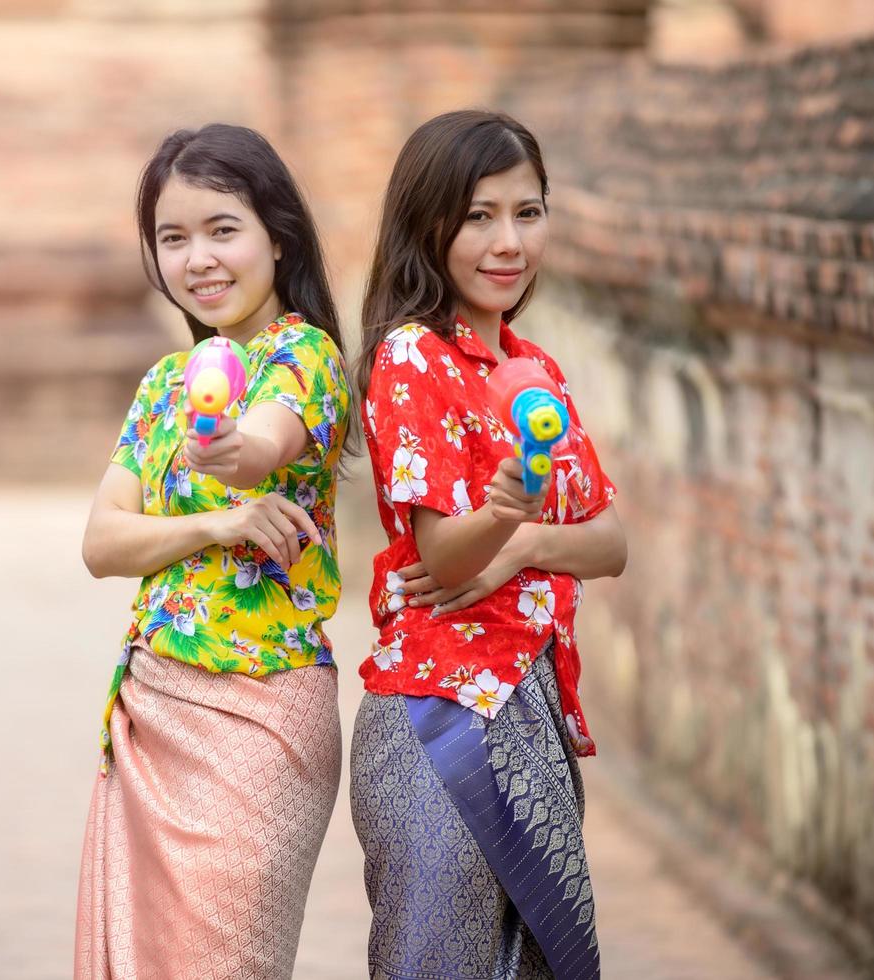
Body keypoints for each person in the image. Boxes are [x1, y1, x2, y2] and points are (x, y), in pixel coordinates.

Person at [351, 109, 628, 980]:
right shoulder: (410, 359)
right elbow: (443, 559)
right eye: (477, 216)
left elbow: (611, 541)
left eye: (527, 212)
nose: (507, 242)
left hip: (530, 709)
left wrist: (517, 545)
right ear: (425, 224)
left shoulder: (536, 370)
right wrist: (505, 523)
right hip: (442, 723)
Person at [74, 123, 351, 979]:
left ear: (277, 235)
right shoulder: (163, 384)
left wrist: (226, 449)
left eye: (222, 229)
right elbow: (99, 541)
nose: (198, 259)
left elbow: (260, 446)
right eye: (173, 238)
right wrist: (215, 523)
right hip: (153, 705)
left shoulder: (306, 358)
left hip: (261, 717)